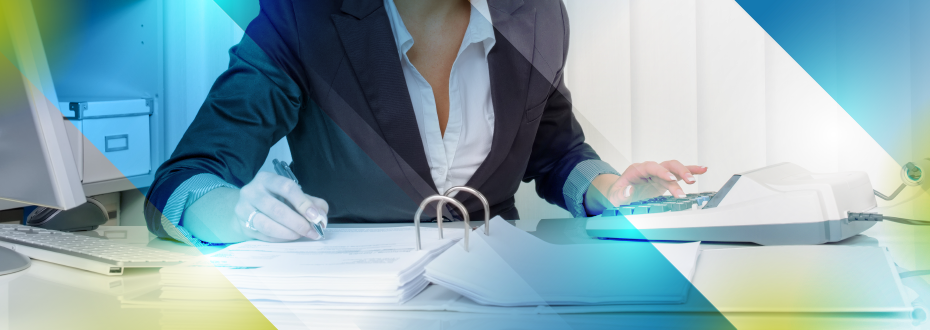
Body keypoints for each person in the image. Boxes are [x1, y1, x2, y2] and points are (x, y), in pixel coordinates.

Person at [144, 0, 707, 245]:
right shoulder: (302, 16)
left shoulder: (536, 14)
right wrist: (237, 216)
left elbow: (555, 152)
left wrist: (610, 191)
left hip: (503, 296)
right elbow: (181, 182)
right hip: (348, 304)